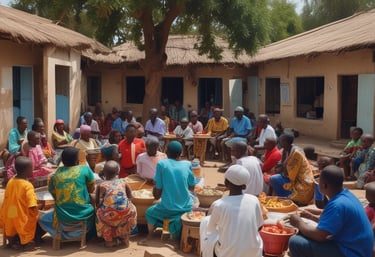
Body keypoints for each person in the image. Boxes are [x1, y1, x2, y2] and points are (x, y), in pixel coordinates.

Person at [288, 165, 374, 257]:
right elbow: (332, 223)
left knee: (295, 242)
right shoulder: (347, 196)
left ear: (324, 185)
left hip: (352, 252)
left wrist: (298, 222)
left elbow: (319, 236)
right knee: (303, 233)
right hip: (357, 249)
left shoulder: (337, 205)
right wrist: (310, 216)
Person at [200, 164, 263, 257]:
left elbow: (210, 230)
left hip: (228, 254)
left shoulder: (219, 204)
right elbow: (259, 227)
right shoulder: (254, 200)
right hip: (253, 252)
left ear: (226, 183)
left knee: (205, 223)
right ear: (244, 186)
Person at [38, 147, 96, 241]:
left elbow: (54, 195)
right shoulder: (85, 170)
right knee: (96, 205)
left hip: (62, 216)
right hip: (84, 214)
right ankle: (92, 234)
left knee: (42, 218)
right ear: (76, 159)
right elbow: (91, 189)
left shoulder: (55, 174)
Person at [144, 141, 195, 241]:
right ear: (181, 153)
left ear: (166, 152)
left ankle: (151, 234)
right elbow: (191, 187)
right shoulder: (187, 164)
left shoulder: (162, 164)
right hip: (186, 207)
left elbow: (157, 195)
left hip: (168, 208)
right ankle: (171, 226)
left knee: (149, 212)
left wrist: (156, 187)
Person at [0, 156, 39, 251]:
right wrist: (36, 213)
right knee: (33, 220)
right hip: (21, 215)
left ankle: (12, 241)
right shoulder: (27, 186)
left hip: (10, 211)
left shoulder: (11, 181)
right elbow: (32, 204)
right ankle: (26, 242)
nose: (33, 170)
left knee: (12, 224)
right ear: (26, 170)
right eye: (32, 168)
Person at [96, 161, 137, 248]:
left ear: (104, 172)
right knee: (132, 207)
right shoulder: (123, 182)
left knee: (98, 212)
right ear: (118, 171)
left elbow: (98, 203)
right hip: (124, 216)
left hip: (109, 217)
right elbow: (130, 197)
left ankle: (109, 240)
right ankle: (124, 237)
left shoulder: (101, 185)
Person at [269, 134, 314, 205]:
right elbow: (282, 165)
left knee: (274, 179)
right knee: (275, 175)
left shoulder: (296, 153)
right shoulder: (286, 150)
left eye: (280, 141)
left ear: (285, 142)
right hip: (293, 177)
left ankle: (287, 199)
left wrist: (280, 169)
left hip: (302, 182)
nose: (279, 142)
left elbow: (289, 173)